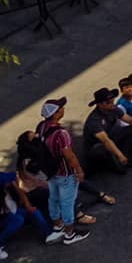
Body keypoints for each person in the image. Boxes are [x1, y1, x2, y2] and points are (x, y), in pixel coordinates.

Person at [33, 100, 90, 243]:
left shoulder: (41, 127)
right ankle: (70, 234)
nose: (63, 109)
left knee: (53, 199)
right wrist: (79, 170)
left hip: (50, 172)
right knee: (67, 203)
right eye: (61, 108)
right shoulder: (61, 133)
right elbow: (69, 155)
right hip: (65, 173)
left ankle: (58, 226)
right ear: (56, 113)